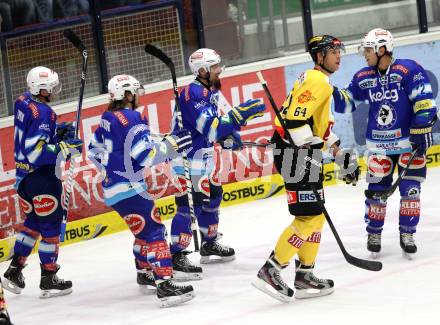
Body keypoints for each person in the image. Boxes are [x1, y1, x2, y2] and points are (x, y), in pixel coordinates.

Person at [253, 35, 359, 302]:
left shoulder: (320, 82)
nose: (338, 55)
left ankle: (304, 275)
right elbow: (293, 121)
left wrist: (338, 155)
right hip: (295, 152)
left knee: (315, 216)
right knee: (308, 217)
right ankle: (271, 269)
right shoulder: (315, 80)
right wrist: (308, 151)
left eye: (339, 51)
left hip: (303, 152)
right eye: (332, 51)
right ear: (319, 56)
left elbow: (321, 128)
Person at [88, 74, 195, 308]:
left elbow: (93, 151)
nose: (138, 96)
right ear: (127, 95)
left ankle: (144, 271)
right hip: (131, 190)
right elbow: (146, 156)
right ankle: (165, 284)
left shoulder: (107, 117)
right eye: (135, 92)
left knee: (142, 232)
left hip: (113, 191)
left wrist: (111, 170)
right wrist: (172, 148)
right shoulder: (133, 118)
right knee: (155, 232)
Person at [332, 28, 437, 259]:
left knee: (410, 191)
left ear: (382, 49)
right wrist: (328, 91)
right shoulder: (363, 77)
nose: (365, 54)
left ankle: (407, 233)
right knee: (376, 193)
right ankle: (374, 233)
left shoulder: (408, 70)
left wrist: (421, 127)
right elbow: (346, 103)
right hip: (379, 146)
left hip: (409, 144)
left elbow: (424, 101)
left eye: (368, 50)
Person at [168, 48, 266, 280]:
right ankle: (176, 255)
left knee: (213, 196)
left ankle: (209, 242)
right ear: (201, 70)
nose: (218, 70)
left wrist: (226, 135)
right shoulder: (193, 94)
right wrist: (236, 118)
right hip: (187, 159)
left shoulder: (206, 90)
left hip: (203, 155)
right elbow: (210, 126)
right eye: (214, 67)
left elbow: (212, 129)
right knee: (188, 206)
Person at [3, 66, 82, 298]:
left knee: (34, 223)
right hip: (42, 178)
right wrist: (64, 148)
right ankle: (49, 277)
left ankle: (14, 270)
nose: (55, 89)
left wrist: (56, 132)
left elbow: (31, 132)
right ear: (42, 88)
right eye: (52, 86)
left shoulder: (23, 101)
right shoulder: (44, 113)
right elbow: (36, 151)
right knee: (51, 229)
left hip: (24, 178)